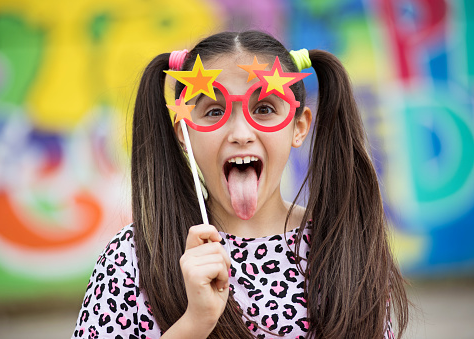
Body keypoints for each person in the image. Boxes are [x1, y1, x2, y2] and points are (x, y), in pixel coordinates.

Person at [72, 30, 409, 339]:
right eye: (214, 112)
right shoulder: (133, 258)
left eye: (263, 109)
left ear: (299, 126)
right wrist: (196, 321)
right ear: (184, 134)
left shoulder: (346, 247)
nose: (240, 134)